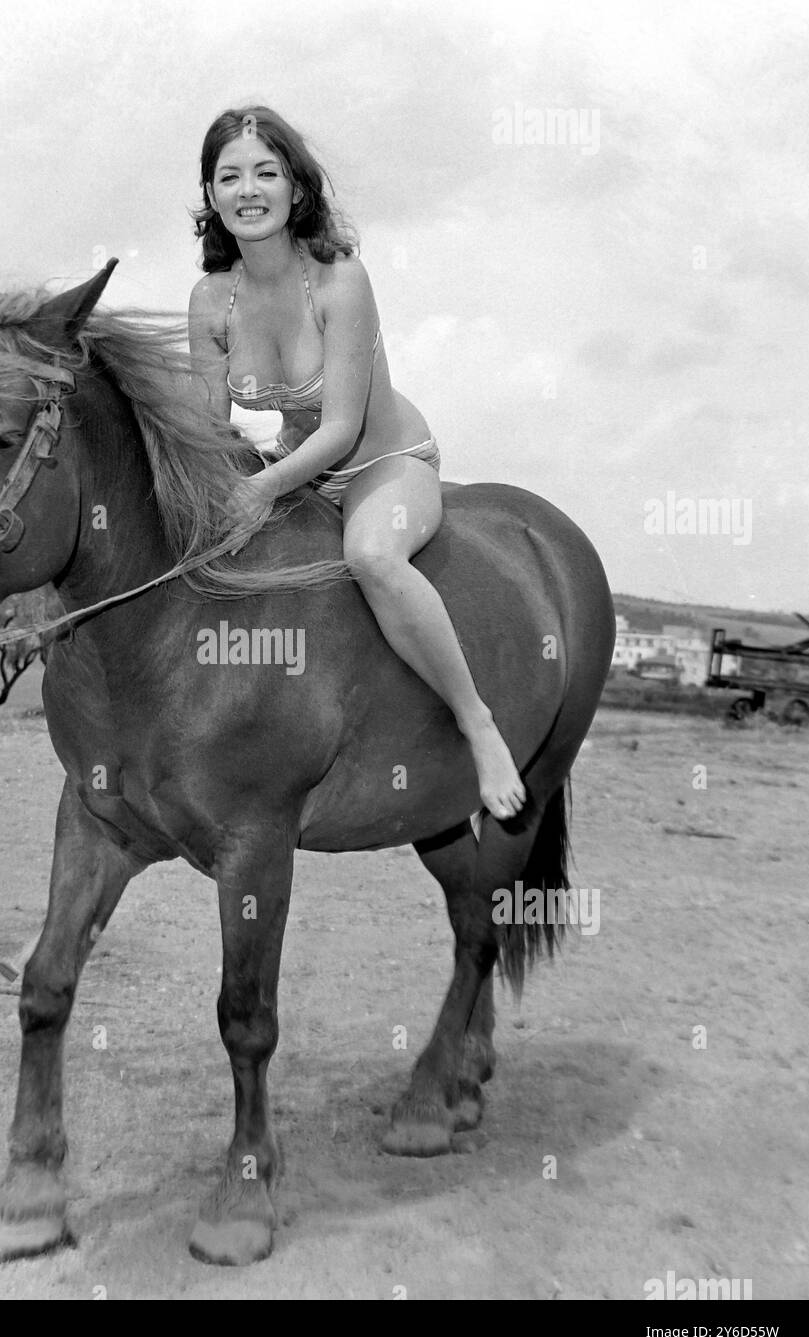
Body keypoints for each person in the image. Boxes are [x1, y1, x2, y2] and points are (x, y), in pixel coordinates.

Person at [188, 106, 526, 820]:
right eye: (229, 176)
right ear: (211, 196)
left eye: (265, 172)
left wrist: (260, 490)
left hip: (379, 460)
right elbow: (204, 425)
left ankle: (477, 724)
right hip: (290, 461)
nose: (248, 190)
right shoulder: (211, 300)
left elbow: (341, 429)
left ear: (296, 190)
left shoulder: (340, 279)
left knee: (372, 555)